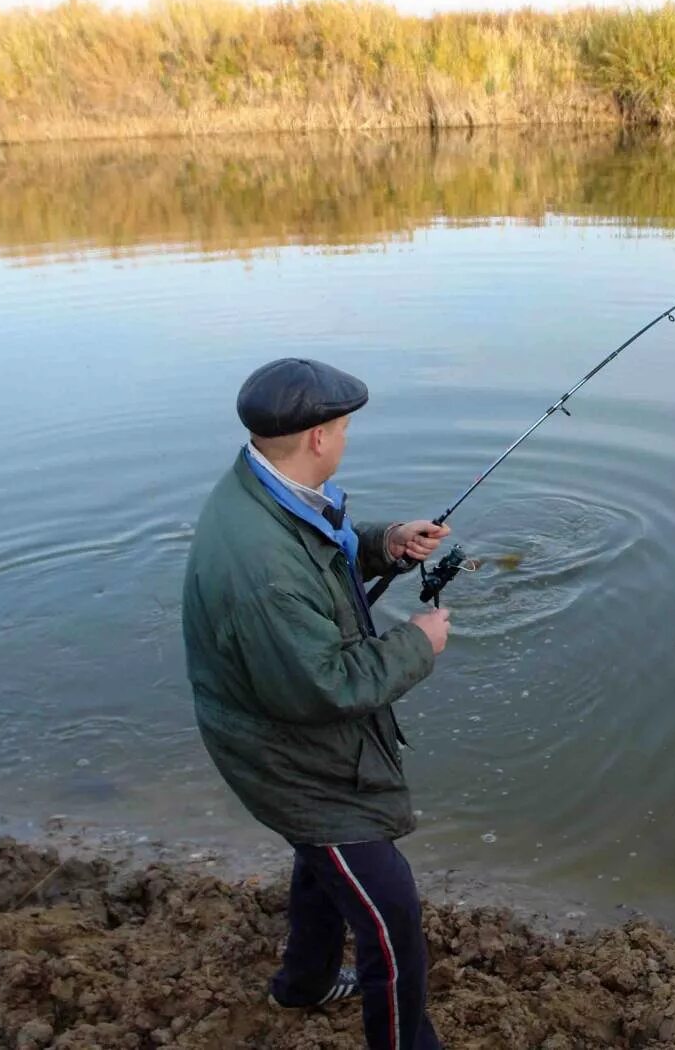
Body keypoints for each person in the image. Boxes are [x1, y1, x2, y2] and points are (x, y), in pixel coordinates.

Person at [181, 357, 452, 1050]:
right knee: (392, 920)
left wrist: (385, 545)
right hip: (292, 760)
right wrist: (419, 643)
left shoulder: (266, 489)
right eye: (345, 428)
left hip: (276, 743)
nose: (346, 438)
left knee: (321, 860)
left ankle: (301, 985)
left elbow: (321, 560)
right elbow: (324, 685)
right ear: (319, 439)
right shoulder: (261, 565)